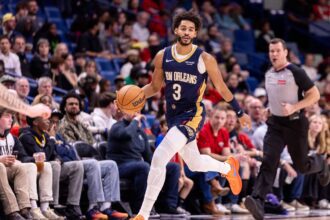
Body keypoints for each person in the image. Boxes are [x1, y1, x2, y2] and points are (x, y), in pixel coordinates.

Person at [128, 11, 251, 220]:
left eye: (191, 29)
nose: (186, 32)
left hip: (192, 116)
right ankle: (227, 167)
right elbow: (154, 87)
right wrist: (133, 97)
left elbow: (221, 87)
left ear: (195, 34)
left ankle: (143, 214)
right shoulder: (162, 55)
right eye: (183, 28)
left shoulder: (204, 58)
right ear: (176, 30)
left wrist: (239, 111)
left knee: (159, 157)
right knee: (194, 163)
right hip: (173, 116)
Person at [244, 38, 330, 220]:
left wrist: (295, 107)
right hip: (275, 124)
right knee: (269, 161)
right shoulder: (268, 74)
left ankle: (320, 163)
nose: (274, 54)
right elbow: (275, 96)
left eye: (277, 51)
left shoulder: (296, 72)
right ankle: (258, 200)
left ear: (285, 53)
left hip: (296, 123)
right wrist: (270, 108)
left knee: (301, 165)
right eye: (271, 51)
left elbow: (314, 95)